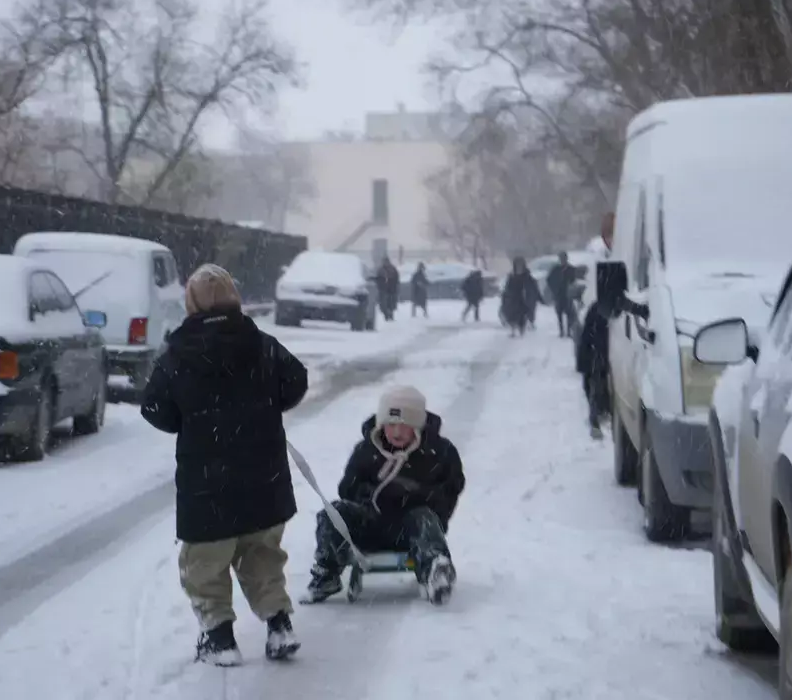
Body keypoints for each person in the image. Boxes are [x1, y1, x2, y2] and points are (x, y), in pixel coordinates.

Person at [140, 264, 309, 668]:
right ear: (234, 297)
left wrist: (192, 420)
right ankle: (279, 624)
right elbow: (296, 380)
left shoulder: (178, 353)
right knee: (262, 554)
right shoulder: (261, 342)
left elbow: (154, 408)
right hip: (263, 477)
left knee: (204, 563)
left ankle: (218, 639)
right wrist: (265, 406)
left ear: (192, 303)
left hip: (207, 485)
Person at [302, 385, 465, 606]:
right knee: (333, 512)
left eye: (404, 425)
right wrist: (366, 493)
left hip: (413, 530)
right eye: (391, 424)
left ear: (417, 425)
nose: (396, 432)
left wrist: (415, 494)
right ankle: (327, 572)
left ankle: (435, 569)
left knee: (424, 517)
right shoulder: (366, 450)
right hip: (372, 521)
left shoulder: (440, 452)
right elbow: (347, 488)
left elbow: (450, 493)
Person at [577, 261, 625, 439]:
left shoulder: (619, 309)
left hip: (612, 359)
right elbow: (585, 339)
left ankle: (602, 420)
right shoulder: (597, 310)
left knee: (603, 391)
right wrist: (584, 362)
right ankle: (596, 421)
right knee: (597, 390)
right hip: (600, 358)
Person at [501, 256, 539, 337]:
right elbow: (508, 287)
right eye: (517, 265)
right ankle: (513, 330)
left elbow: (532, 286)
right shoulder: (512, 276)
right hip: (513, 298)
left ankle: (521, 329)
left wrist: (531, 295)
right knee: (512, 315)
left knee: (522, 315)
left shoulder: (527, 276)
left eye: (520, 265)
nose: (519, 267)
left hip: (523, 299)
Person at [546, 252, 578, 338]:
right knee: (559, 313)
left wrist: (572, 287)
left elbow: (575, 280)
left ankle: (568, 331)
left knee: (569, 313)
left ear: (566, 259)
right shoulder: (556, 269)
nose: (563, 260)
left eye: (564, 258)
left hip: (568, 294)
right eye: (561, 258)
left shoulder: (571, 269)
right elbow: (549, 280)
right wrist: (554, 289)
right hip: (558, 294)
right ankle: (561, 331)